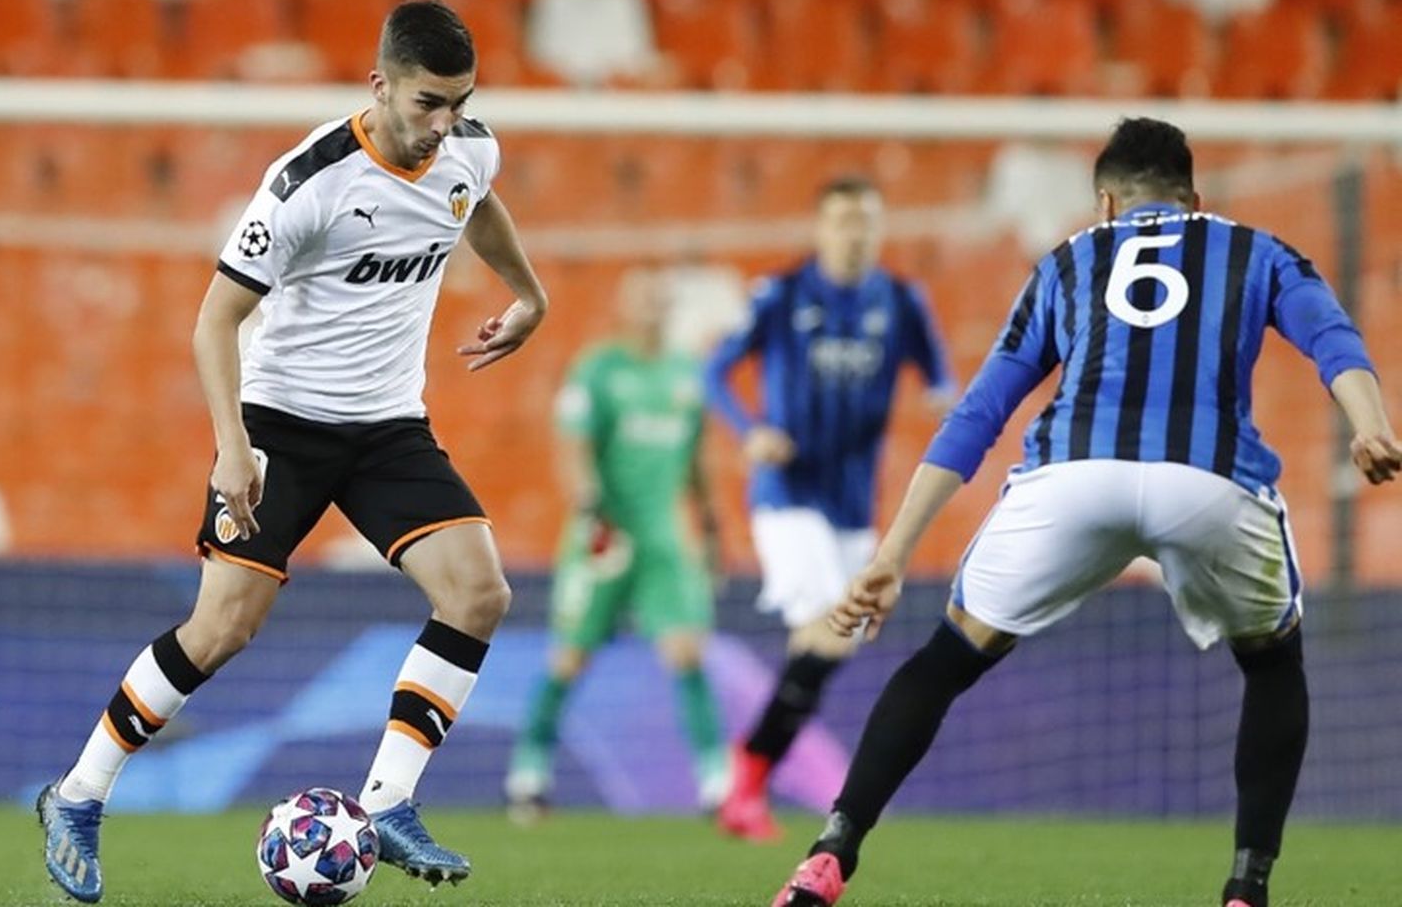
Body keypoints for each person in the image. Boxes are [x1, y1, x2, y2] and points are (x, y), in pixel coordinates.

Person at [771, 117, 1402, 907]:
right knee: (1273, 663)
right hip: (1208, 485)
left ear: (1107, 202)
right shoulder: (1258, 249)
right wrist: (1370, 423)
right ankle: (1247, 887)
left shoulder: (1067, 261)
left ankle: (830, 855)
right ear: (1194, 196)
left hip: (1071, 481)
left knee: (946, 658)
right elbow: (1334, 340)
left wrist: (894, 551)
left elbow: (978, 412)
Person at [35, 0, 549, 904]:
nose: (443, 124)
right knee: (223, 628)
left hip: (389, 425)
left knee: (479, 593)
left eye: (459, 103)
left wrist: (528, 293)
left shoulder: (468, 146)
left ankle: (388, 801)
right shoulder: (309, 181)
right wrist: (232, 448)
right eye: (428, 102)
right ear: (378, 83)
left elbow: (477, 204)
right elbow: (215, 319)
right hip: (281, 424)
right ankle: (77, 796)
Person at [704, 177, 953, 841]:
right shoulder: (782, 295)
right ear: (820, 229)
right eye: (843, 220)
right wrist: (750, 429)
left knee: (827, 647)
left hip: (853, 506)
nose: (855, 234)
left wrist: (947, 403)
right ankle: (748, 775)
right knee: (827, 629)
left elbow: (940, 381)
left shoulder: (902, 301)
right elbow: (713, 372)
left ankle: (746, 783)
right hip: (789, 497)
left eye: (867, 222)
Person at [504, 268, 726, 821]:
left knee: (687, 651)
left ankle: (718, 782)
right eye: (645, 299)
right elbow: (574, 448)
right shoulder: (598, 370)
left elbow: (695, 458)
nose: (656, 307)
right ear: (626, 308)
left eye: (662, 298)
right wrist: (588, 506)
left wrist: (712, 522)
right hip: (603, 536)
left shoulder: (686, 375)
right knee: (570, 658)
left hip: (662, 540)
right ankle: (529, 775)